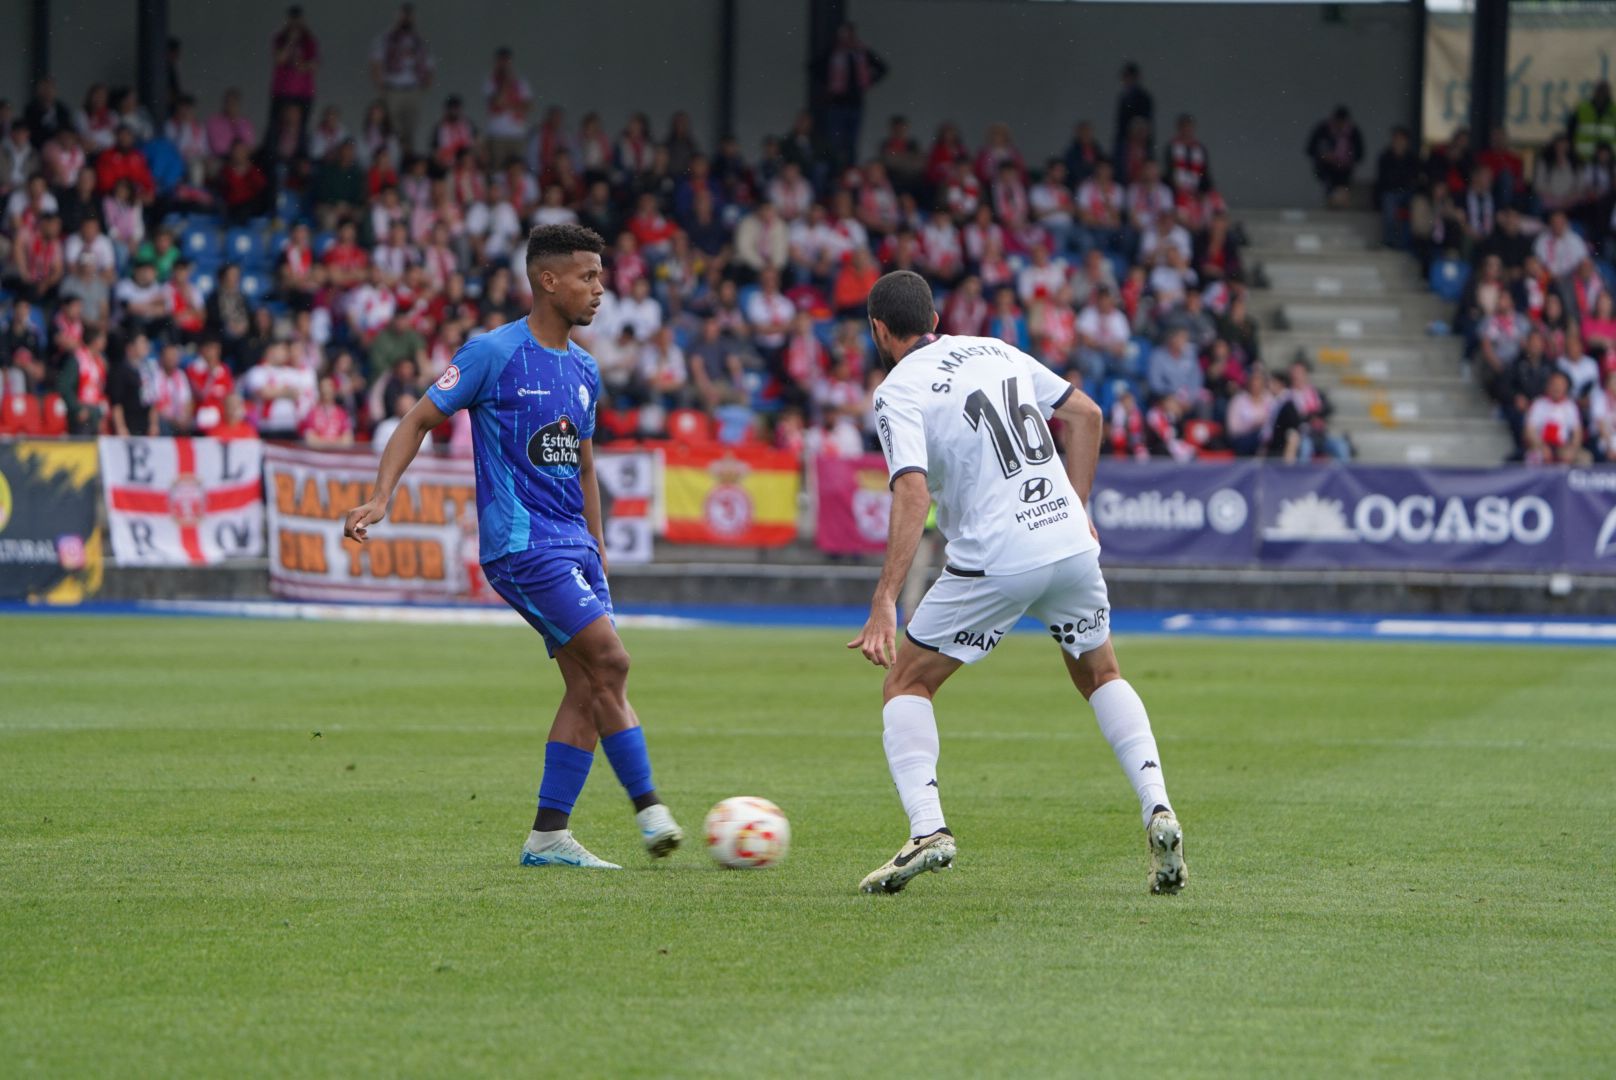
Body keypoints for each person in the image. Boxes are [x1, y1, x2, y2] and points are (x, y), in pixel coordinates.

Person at [343, 223, 683, 870]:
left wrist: (598, 548)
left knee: (586, 685)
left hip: (575, 546)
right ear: (546, 280)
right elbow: (418, 420)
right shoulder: (490, 355)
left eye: (601, 276)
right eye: (587, 276)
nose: (599, 289)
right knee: (612, 663)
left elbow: (584, 468)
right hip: (521, 545)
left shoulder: (584, 368)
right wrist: (382, 496)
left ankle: (548, 836)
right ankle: (650, 809)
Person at [847, 269, 1186, 896]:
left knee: (907, 681)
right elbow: (1085, 412)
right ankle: (1157, 806)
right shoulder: (994, 348)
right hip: (1068, 539)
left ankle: (928, 830)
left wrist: (884, 601)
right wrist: (1076, 504)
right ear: (936, 319)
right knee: (1101, 673)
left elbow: (912, 490)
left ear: (878, 330)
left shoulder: (897, 389)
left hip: (996, 555)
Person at [816, 22, 887, 170]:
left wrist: (867, 82)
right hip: (837, 104)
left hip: (855, 104)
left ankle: (850, 172)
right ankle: (835, 172)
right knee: (835, 142)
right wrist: (829, 83)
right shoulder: (834, 52)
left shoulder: (861, 53)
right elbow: (814, 67)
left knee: (851, 143)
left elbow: (883, 68)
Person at [370, 3, 435, 154]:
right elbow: (376, 63)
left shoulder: (419, 40)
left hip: (413, 90)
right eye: (404, 15)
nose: (407, 19)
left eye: (409, 16)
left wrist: (426, 85)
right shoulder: (386, 38)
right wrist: (381, 88)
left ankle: (408, 162)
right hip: (393, 90)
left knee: (410, 129)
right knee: (393, 129)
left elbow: (429, 64)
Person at [1306, 106, 1363, 208]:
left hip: (1345, 170)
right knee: (1330, 189)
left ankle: (1339, 205)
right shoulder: (1323, 129)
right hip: (1326, 168)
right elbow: (1310, 149)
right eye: (1338, 122)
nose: (1340, 125)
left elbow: (1360, 154)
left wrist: (1347, 159)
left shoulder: (1353, 132)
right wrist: (1324, 156)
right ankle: (1331, 204)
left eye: (1342, 122)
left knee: (1341, 191)